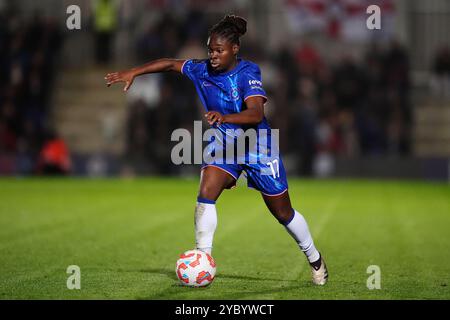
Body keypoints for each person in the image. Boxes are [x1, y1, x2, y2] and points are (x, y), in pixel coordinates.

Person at [105, 15, 328, 285]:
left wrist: (225, 118)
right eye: (210, 50)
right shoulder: (202, 70)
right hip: (225, 146)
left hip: (258, 146)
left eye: (219, 51)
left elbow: (256, 114)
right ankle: (203, 259)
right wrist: (134, 72)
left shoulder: (248, 72)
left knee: (283, 213)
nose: (213, 55)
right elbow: (169, 64)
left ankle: (315, 259)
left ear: (234, 49)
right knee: (206, 191)